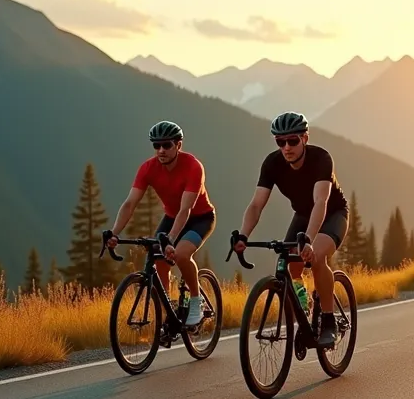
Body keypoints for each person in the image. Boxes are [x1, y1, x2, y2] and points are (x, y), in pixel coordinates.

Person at [232, 111, 349, 348]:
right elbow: (256, 205)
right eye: (280, 141)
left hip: (332, 214)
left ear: (305, 138)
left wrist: (309, 239)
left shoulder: (321, 158)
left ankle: (328, 321)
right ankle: (304, 307)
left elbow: (321, 202)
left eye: (292, 140)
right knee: (289, 263)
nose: (286, 147)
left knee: (315, 257)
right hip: (303, 216)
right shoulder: (273, 163)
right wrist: (243, 235)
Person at [107, 120, 216, 326]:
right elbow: (130, 203)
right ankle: (167, 313)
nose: (161, 150)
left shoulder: (193, 166)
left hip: (199, 218)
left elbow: (186, 209)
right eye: (156, 145)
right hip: (172, 218)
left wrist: (171, 240)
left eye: (166, 145)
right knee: (157, 259)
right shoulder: (148, 168)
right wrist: (114, 233)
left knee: (182, 254)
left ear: (178, 145)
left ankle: (195, 301)